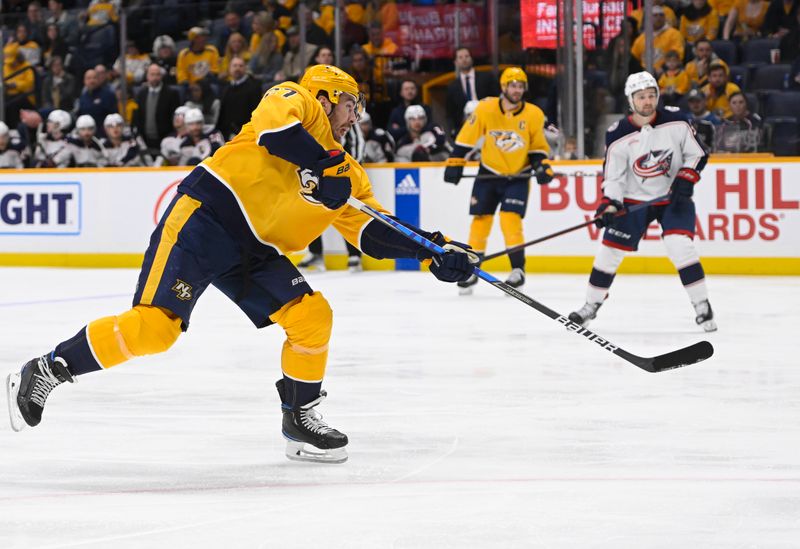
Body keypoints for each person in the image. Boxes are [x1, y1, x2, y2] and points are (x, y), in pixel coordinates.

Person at [6, 65, 477, 465]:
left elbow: (370, 232)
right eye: (352, 104)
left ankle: (299, 416)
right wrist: (322, 163)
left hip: (254, 251)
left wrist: (431, 249)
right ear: (329, 96)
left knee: (312, 316)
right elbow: (276, 134)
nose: (355, 116)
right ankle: (48, 369)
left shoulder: (347, 171)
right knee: (157, 328)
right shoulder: (296, 98)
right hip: (207, 219)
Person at [567, 72, 716, 332]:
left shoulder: (677, 121)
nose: (647, 101)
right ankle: (590, 305)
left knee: (680, 245)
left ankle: (702, 304)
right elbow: (614, 176)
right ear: (630, 100)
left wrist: (686, 178)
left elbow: (698, 154)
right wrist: (610, 205)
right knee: (608, 252)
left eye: (651, 95)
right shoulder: (618, 134)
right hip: (634, 199)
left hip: (673, 197)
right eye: (641, 97)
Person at [443, 67, 554, 295]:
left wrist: (542, 166)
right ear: (503, 87)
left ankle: (518, 271)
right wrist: (455, 162)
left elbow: (537, 148)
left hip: (518, 175)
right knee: (480, 220)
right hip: (489, 172)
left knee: (510, 219)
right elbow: (467, 137)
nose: (517, 90)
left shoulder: (533, 114)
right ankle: (472, 269)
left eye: (520, 86)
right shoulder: (485, 109)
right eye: (513, 85)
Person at [445, 47, 499, 137]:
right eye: (460, 57)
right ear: (455, 62)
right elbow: (450, 113)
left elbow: (496, 100)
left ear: (472, 59)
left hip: (489, 125)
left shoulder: (487, 77)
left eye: (467, 56)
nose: (464, 59)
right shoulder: (452, 86)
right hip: (465, 129)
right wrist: (453, 131)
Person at [133, 63, 182, 151]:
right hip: (145, 139)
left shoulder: (171, 93)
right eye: (152, 74)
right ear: (147, 76)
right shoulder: (141, 93)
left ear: (161, 76)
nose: (155, 77)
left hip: (165, 138)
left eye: (158, 74)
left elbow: (174, 117)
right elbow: (138, 116)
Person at [217, 57, 264, 140]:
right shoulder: (226, 88)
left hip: (247, 133)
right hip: (227, 134)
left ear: (245, 68)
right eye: (234, 66)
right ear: (229, 69)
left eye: (240, 66)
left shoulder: (254, 87)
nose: (237, 68)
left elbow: (255, 112)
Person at [630, 5, 685, 75]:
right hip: (644, 75)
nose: (658, 17)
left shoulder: (674, 34)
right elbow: (633, 57)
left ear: (665, 18)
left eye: (661, 15)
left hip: (666, 73)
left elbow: (678, 54)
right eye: (655, 15)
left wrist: (664, 68)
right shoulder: (641, 38)